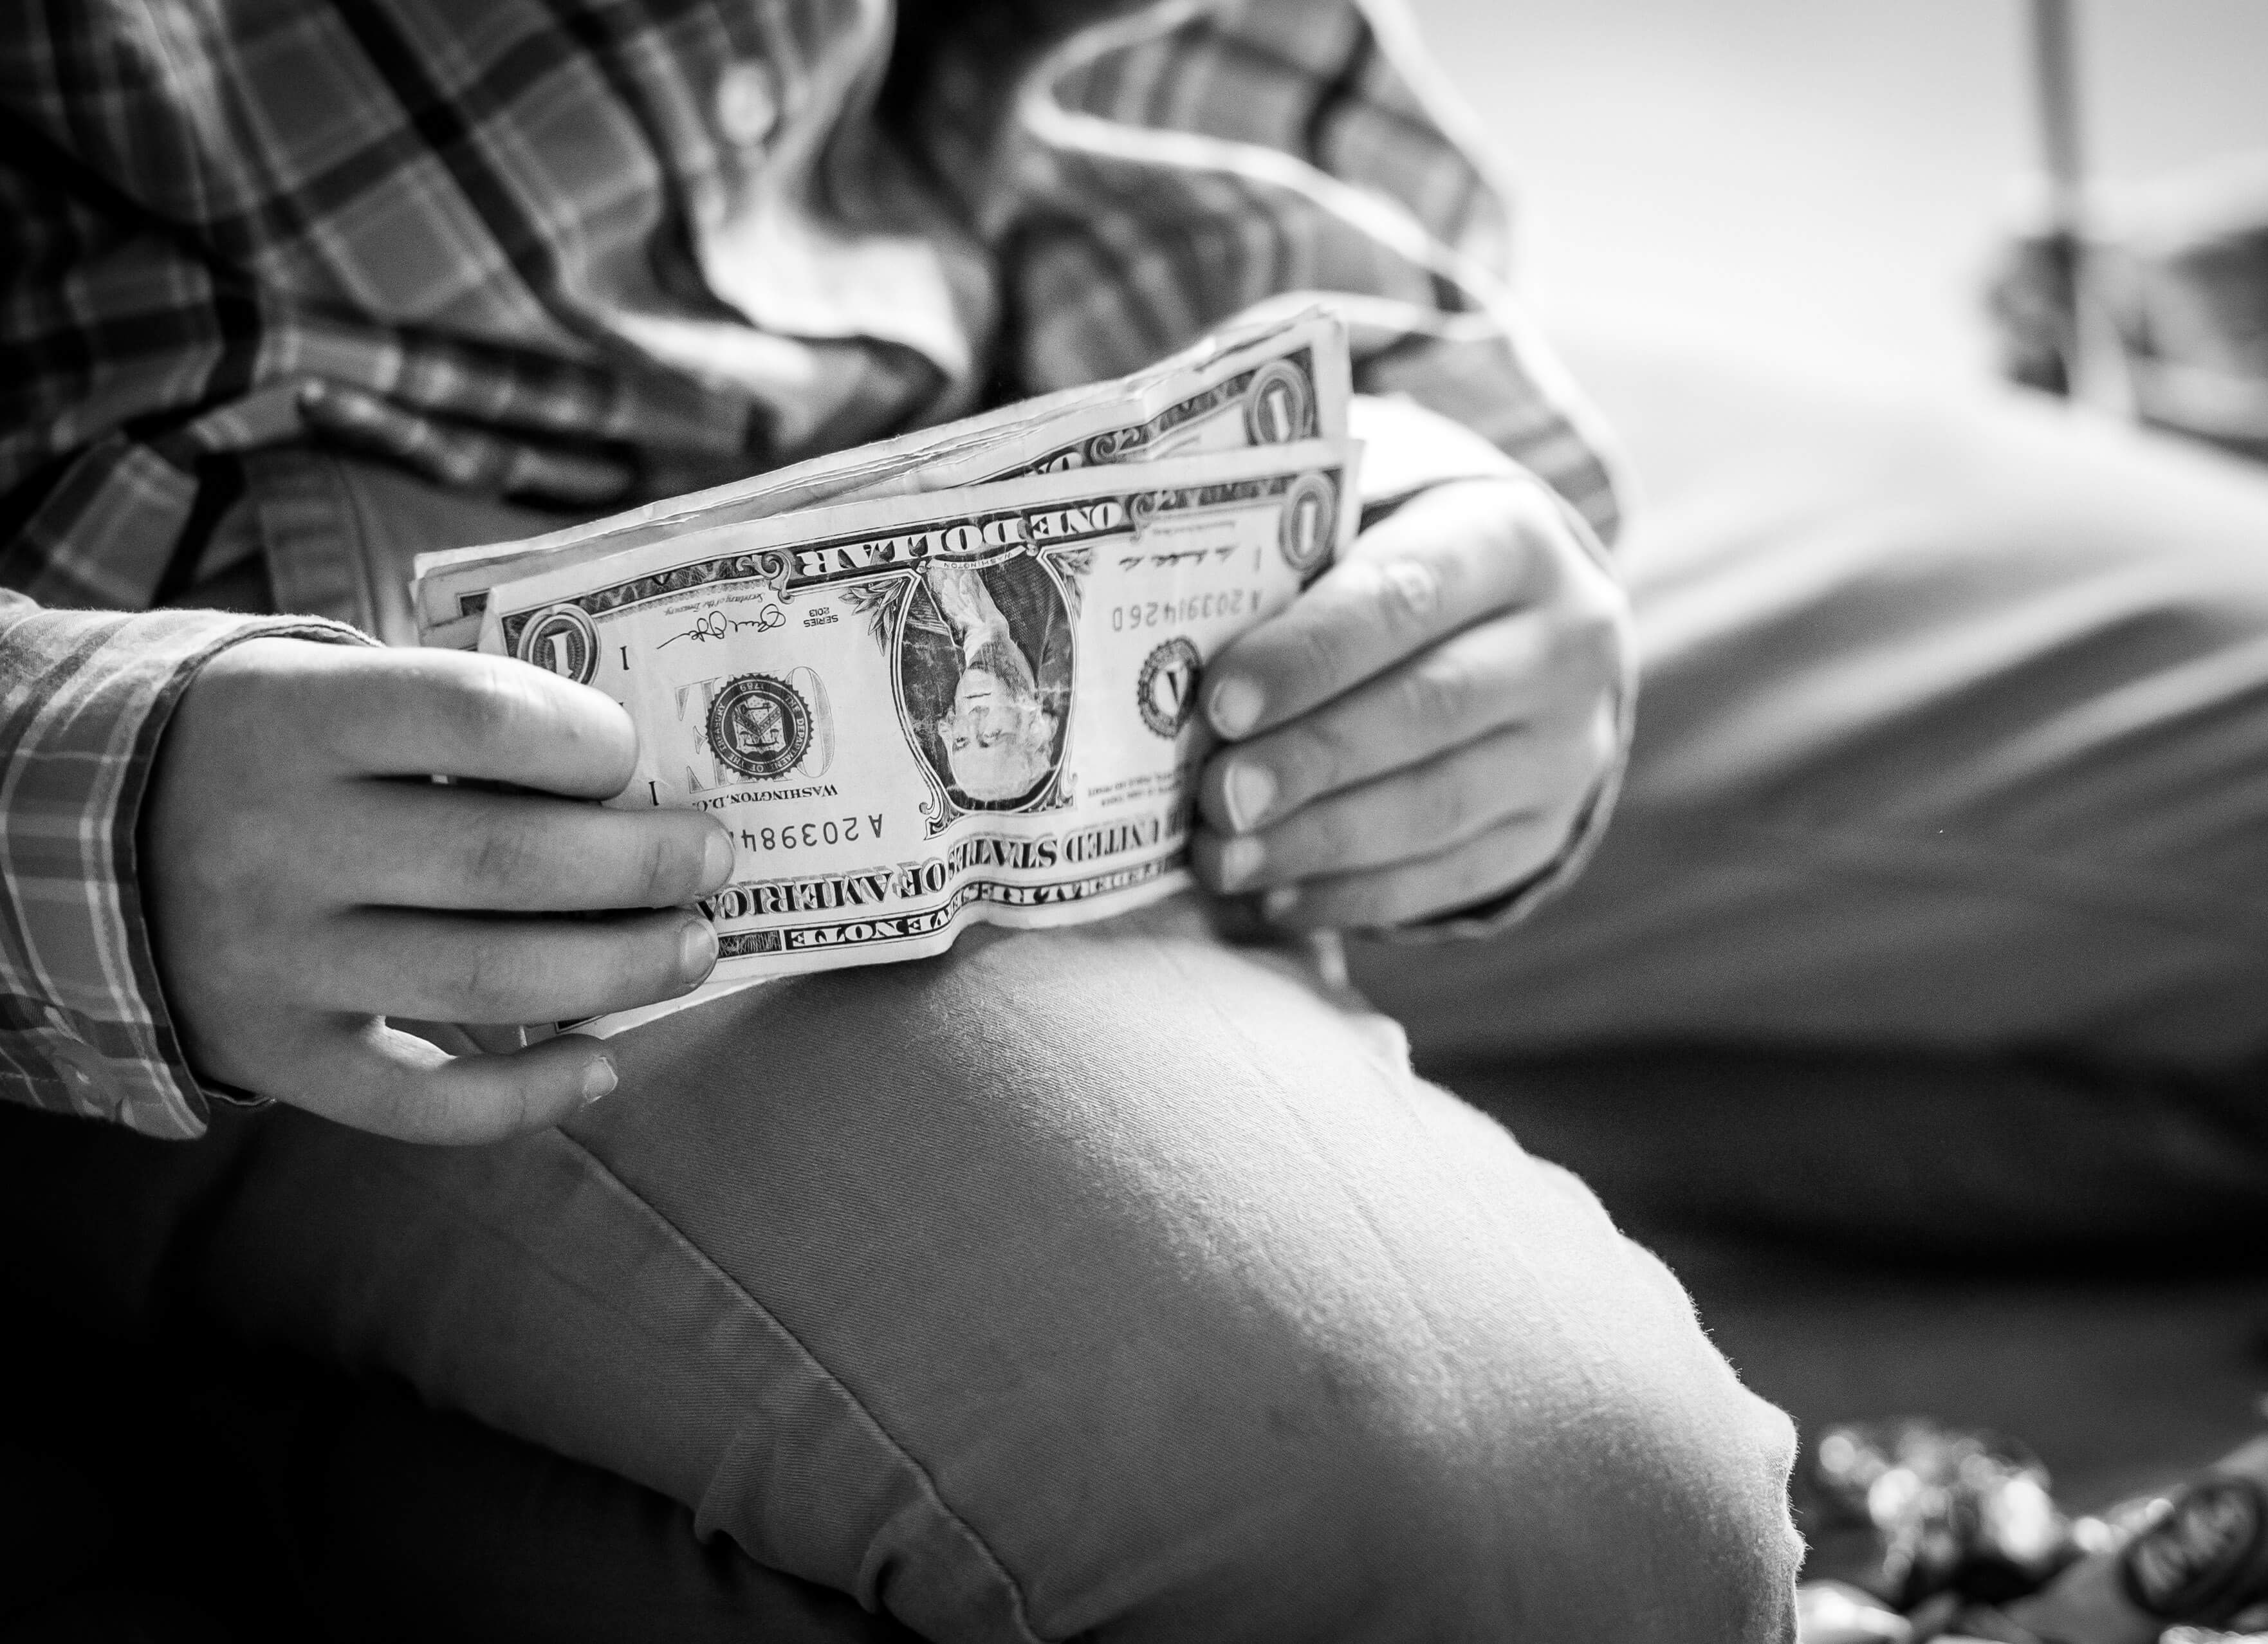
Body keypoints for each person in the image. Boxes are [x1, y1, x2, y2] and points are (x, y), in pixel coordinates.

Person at [0, 2, 1793, 1639]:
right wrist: (78, 797)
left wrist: (1400, 464)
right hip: (287, 750)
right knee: (1548, 1541)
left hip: (1039, 401)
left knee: (2081, 791)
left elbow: (1185, 71)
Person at [920, 559, 1062, 805]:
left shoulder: (921, 639)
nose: (974, 717)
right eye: (992, 734)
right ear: (1031, 727)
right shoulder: (1051, 600)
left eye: (961, 740)